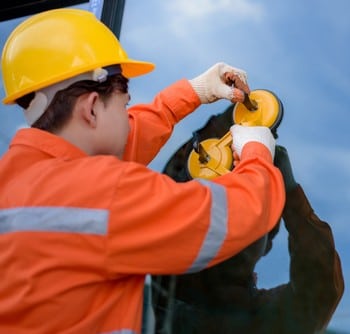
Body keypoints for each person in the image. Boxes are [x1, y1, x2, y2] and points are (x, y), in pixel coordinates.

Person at [0, 8, 285, 334]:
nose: (128, 116)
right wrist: (257, 152)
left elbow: (108, 147)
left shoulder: (16, 179)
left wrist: (190, 94)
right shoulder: (106, 195)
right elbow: (230, 216)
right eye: (125, 106)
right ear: (92, 107)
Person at [151, 105, 345, 334]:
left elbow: (319, 289)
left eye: (248, 216)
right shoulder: (153, 303)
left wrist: (289, 193)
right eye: (219, 212)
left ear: (265, 244)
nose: (232, 227)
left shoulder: (263, 319)